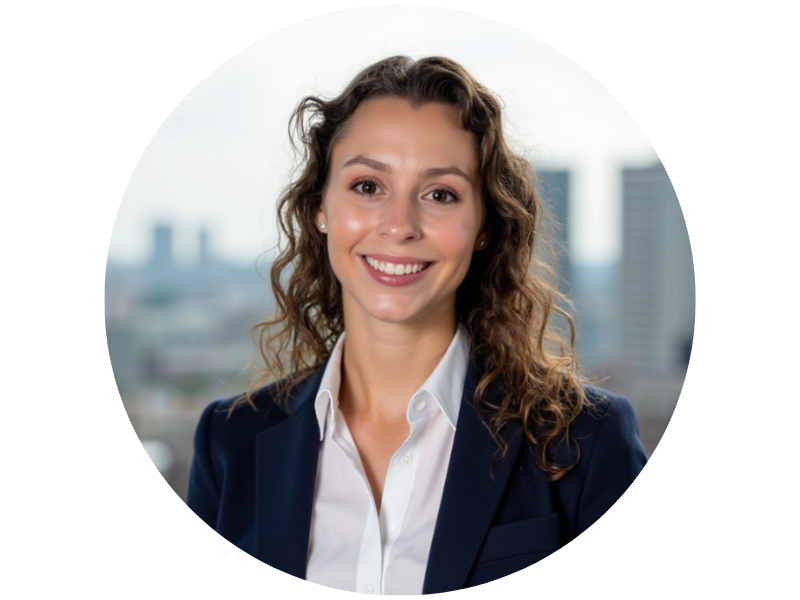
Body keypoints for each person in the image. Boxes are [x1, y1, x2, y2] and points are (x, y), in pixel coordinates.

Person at [187, 55, 647, 594]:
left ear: (482, 226)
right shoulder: (231, 442)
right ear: (320, 208)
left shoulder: (585, 442)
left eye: (440, 194)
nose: (400, 225)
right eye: (367, 186)